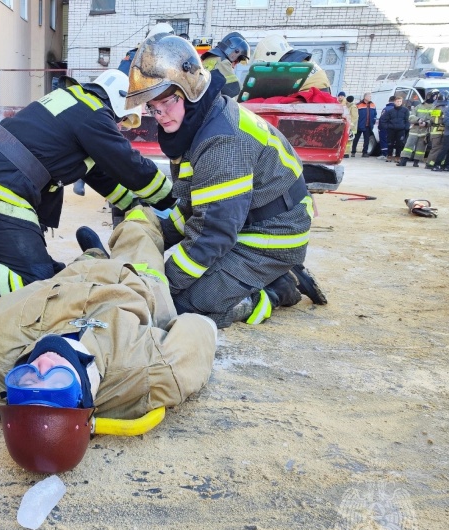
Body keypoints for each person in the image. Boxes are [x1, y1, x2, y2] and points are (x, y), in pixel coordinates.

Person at [0, 207, 217, 473]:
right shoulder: (150, 370)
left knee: (81, 265)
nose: (42, 367)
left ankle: (92, 254)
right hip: (132, 279)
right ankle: (131, 223)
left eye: (27, 381)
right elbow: (200, 331)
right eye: (57, 383)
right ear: (83, 399)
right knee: (138, 227)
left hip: (68, 281)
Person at [0, 69, 173, 302]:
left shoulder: (74, 102)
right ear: (119, 103)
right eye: (124, 120)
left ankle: (30, 264)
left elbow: (99, 173)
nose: (122, 127)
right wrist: (170, 201)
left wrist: (134, 205)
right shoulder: (94, 115)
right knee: (36, 285)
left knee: (46, 271)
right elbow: (131, 166)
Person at [125, 34, 326, 329]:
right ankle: (266, 276)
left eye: (166, 102)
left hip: (272, 234)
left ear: (190, 88)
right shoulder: (201, 120)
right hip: (247, 222)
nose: (160, 115)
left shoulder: (221, 141)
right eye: (152, 108)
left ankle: (273, 291)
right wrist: (155, 235)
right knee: (179, 287)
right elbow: (196, 206)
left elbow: (213, 234)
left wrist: (163, 284)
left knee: (181, 308)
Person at [252, 34, 331, 93]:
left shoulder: (285, 66)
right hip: (324, 96)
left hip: (308, 100)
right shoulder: (300, 58)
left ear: (271, 54)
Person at [201, 32, 250, 98]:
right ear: (235, 52)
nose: (235, 65)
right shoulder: (223, 62)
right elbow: (235, 90)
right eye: (237, 60)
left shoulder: (210, 58)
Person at [399, 90, 437, 167]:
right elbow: (411, 116)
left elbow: (434, 120)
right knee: (408, 146)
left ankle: (416, 162)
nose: (435, 98)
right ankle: (403, 161)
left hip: (424, 131)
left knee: (421, 148)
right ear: (429, 96)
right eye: (434, 96)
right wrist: (418, 120)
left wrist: (426, 123)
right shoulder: (419, 106)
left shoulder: (435, 108)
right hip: (414, 130)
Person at [379, 96, 410, 163]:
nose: (398, 103)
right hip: (391, 129)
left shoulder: (405, 110)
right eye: (397, 101)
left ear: (402, 102)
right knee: (390, 143)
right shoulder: (390, 111)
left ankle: (397, 157)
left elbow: (407, 120)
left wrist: (406, 127)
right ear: (394, 102)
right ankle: (389, 156)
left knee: (399, 144)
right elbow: (383, 120)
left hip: (401, 130)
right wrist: (387, 127)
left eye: (400, 101)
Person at [426, 90, 449, 168]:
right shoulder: (444, 109)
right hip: (440, 131)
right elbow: (445, 120)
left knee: (434, 148)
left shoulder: (435, 108)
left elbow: (430, 120)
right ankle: (430, 163)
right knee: (438, 148)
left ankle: (430, 163)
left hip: (433, 131)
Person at [351, 93, 377, 157]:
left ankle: (365, 152)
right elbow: (355, 114)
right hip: (359, 125)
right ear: (365, 97)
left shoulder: (373, 105)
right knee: (356, 139)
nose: (370, 97)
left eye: (371, 96)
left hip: (368, 125)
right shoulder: (358, 105)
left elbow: (375, 114)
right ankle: (353, 151)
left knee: (367, 140)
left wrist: (373, 121)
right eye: (369, 96)